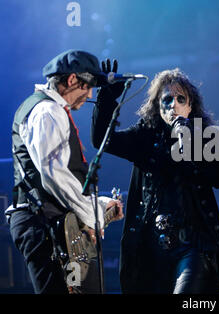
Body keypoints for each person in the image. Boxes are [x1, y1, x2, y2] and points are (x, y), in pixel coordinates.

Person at [92, 64, 219, 293]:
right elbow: (102, 140)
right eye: (167, 100)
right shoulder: (144, 138)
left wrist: (190, 141)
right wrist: (108, 96)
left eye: (181, 99)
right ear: (157, 107)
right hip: (151, 247)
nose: (174, 105)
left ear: (190, 106)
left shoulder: (203, 139)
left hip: (194, 247)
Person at [7, 50, 123, 294]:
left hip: (53, 220)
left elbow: (59, 178)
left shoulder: (47, 109)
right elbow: (54, 175)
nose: (90, 94)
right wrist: (92, 217)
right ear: (72, 80)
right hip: (45, 223)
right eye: (88, 85)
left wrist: (98, 206)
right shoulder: (47, 111)